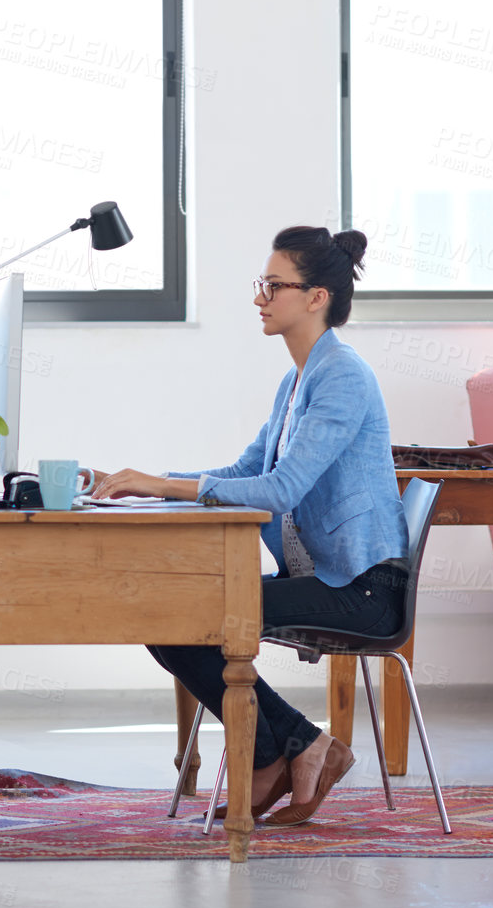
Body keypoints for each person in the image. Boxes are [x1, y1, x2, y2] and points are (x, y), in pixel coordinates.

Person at [92, 226, 407, 826]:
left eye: (273, 285)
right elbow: (244, 471)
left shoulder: (341, 376)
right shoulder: (296, 380)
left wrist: (161, 487)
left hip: (365, 590)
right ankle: (298, 748)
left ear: (316, 297)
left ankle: (283, 752)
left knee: (182, 617)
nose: (260, 298)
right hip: (333, 580)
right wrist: (145, 481)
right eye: (260, 285)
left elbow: (280, 489)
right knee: (169, 614)